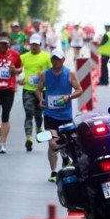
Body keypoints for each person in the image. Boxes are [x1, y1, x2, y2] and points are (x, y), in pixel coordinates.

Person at [35, 49, 83, 182]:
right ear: (51, 60)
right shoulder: (45, 74)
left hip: (65, 115)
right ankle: (53, 172)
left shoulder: (69, 74)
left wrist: (69, 97)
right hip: (50, 114)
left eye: (58, 59)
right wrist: (40, 99)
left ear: (63, 60)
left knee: (66, 143)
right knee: (53, 143)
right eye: (54, 59)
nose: (56, 61)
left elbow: (79, 90)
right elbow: (38, 89)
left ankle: (65, 157)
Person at [20, 34, 52, 152]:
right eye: (32, 44)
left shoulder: (46, 57)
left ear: (40, 45)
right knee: (29, 113)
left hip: (42, 90)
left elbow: (52, 70)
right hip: (28, 89)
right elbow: (20, 70)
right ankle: (28, 138)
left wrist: (44, 73)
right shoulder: (24, 57)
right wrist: (20, 77)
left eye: (36, 45)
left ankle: (39, 127)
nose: (34, 47)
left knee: (39, 114)